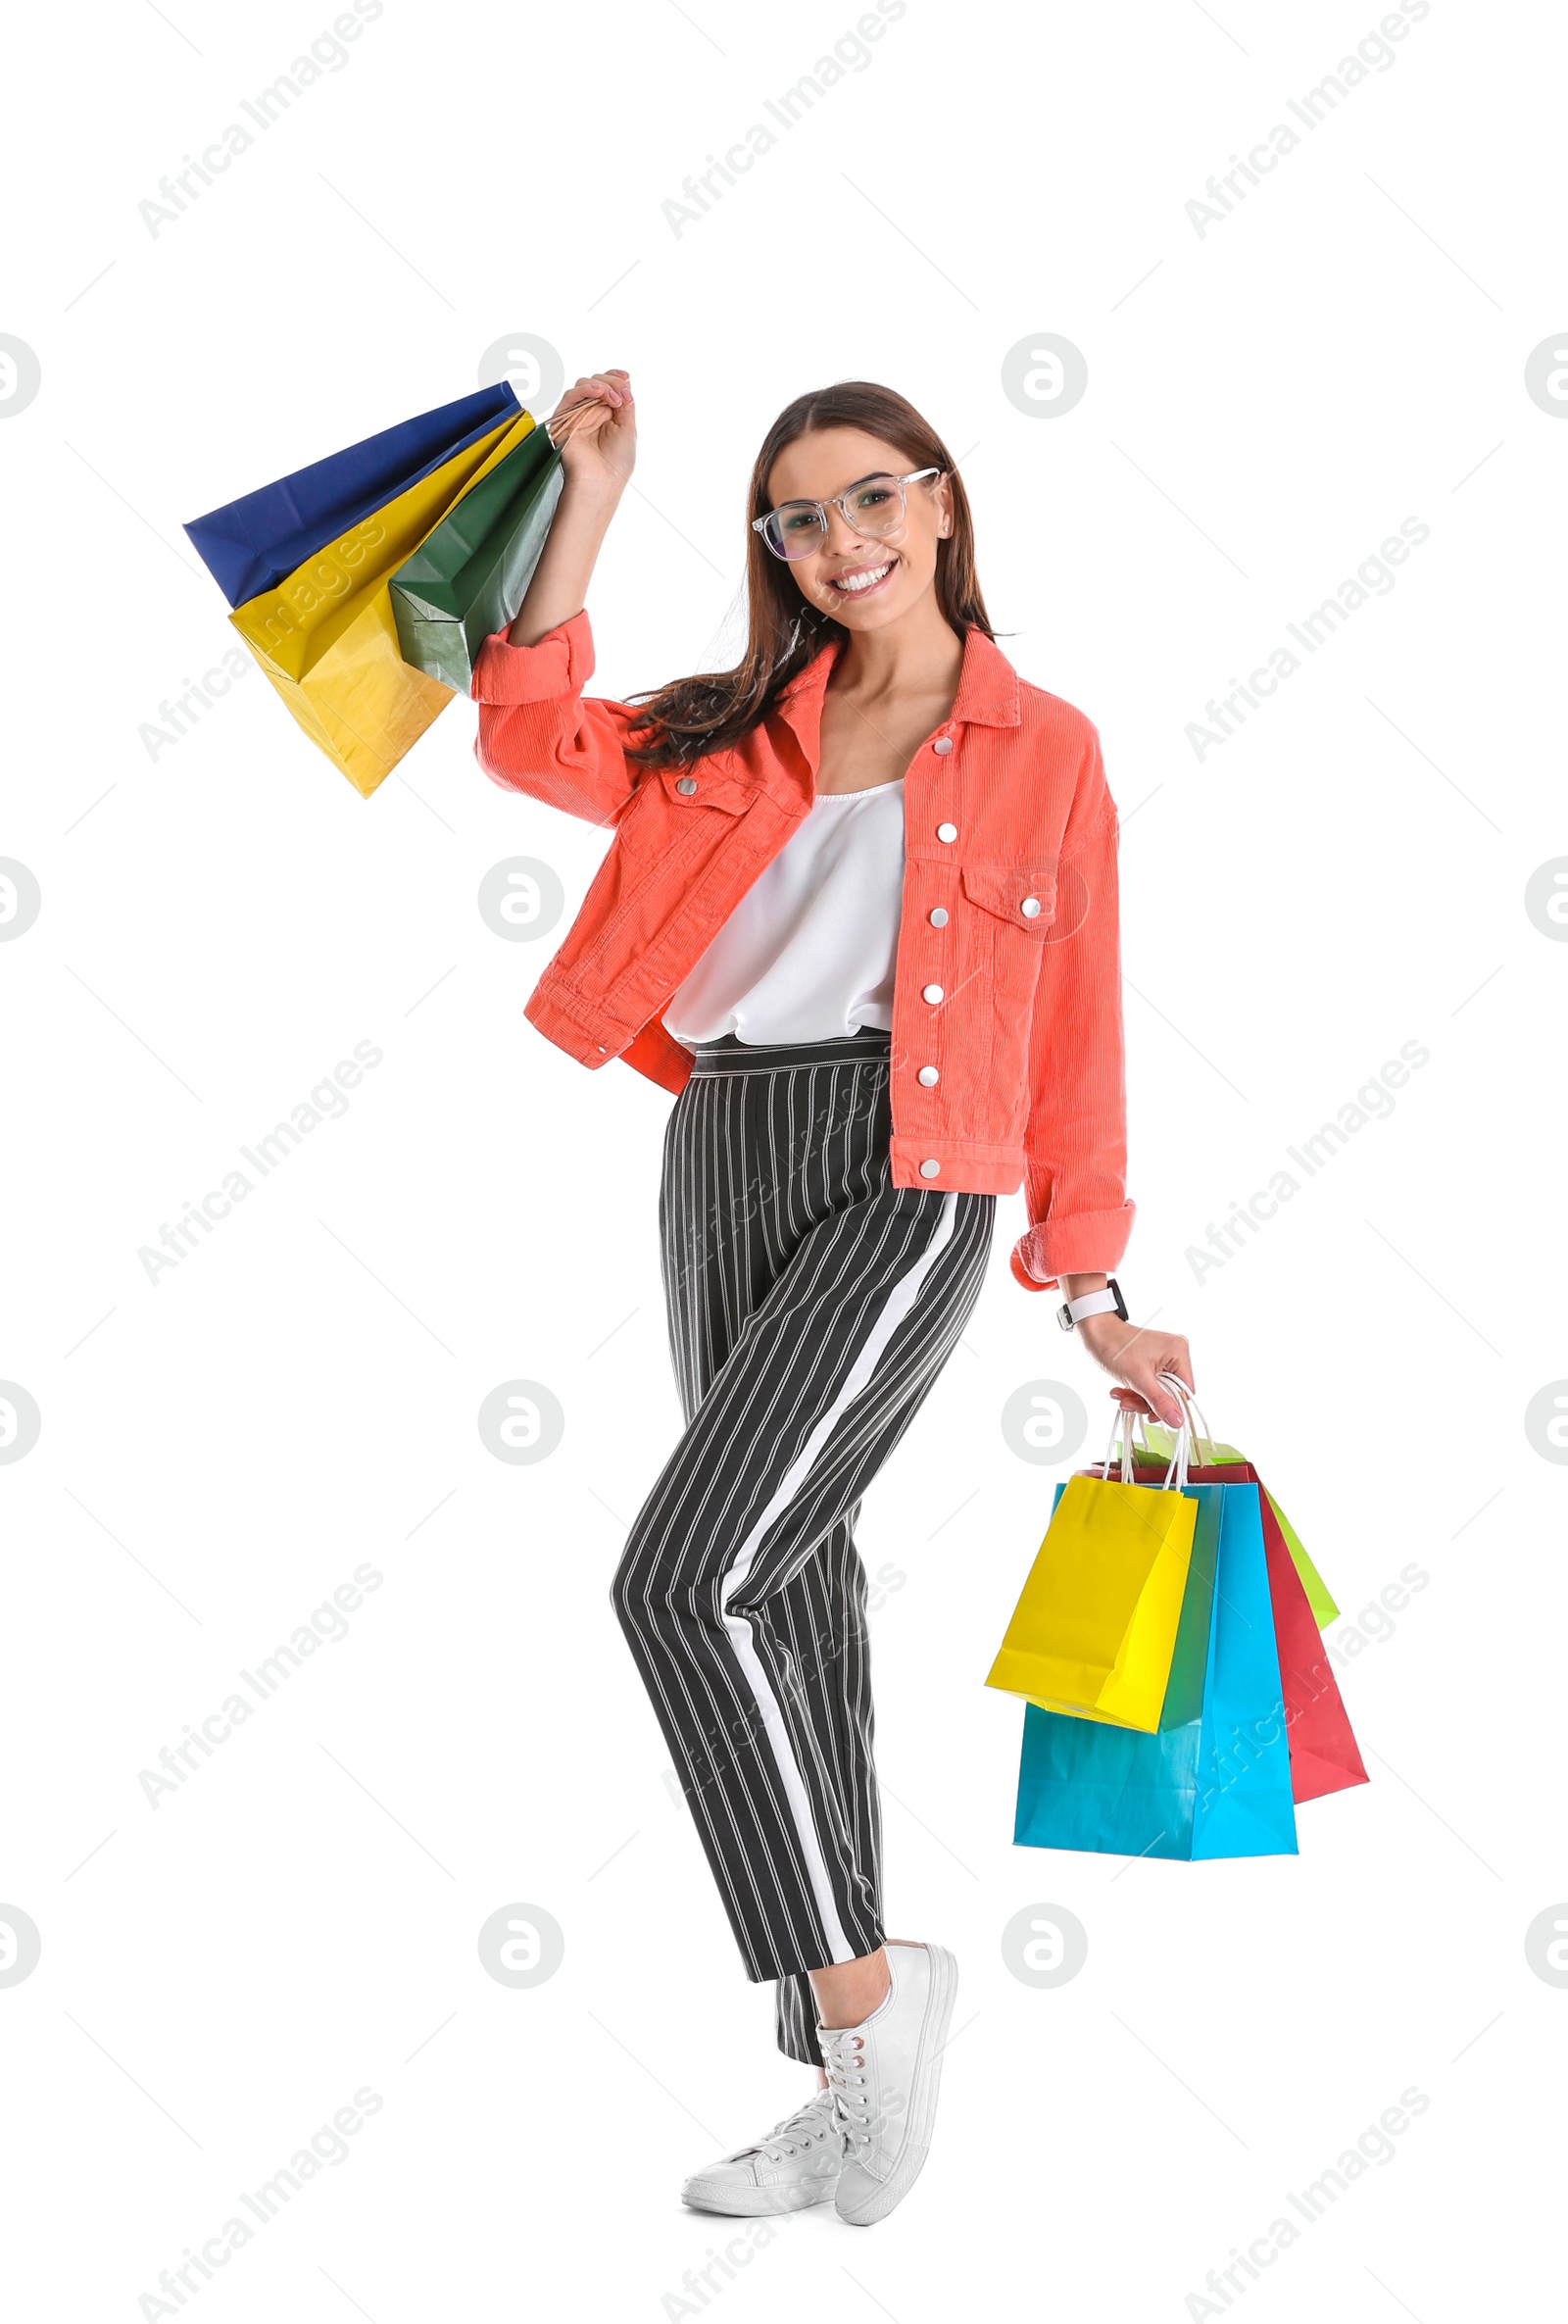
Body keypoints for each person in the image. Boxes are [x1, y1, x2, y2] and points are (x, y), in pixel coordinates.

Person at [470, 368, 1196, 2227]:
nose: (839, 542)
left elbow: (1085, 1027)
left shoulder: (1045, 746)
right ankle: (842, 2053)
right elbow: (526, 735)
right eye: (797, 518)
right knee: (787, 1578)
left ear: (942, 504)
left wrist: (1092, 1281)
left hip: (915, 1165)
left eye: (870, 499)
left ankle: (866, 2004)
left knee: (679, 1575)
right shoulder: (736, 722)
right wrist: (591, 497)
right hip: (723, 1141)